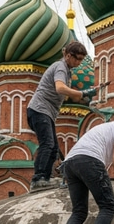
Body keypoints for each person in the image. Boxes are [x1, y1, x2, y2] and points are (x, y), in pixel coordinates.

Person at [27, 42, 97, 190]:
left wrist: (87, 92)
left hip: (45, 112)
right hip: (40, 110)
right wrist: (80, 93)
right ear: (67, 55)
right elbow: (60, 88)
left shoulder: (67, 70)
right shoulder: (61, 67)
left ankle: (45, 178)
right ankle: (38, 178)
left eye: (81, 60)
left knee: (54, 148)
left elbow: (75, 96)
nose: (78, 63)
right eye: (76, 58)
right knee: (47, 144)